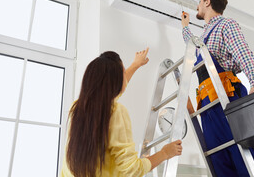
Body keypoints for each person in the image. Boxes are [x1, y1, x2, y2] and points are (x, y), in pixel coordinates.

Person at [181, 0, 254, 176]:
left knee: (241, 153)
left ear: (207, 2)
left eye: (199, 0)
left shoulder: (226, 25)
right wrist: (185, 27)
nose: (197, 4)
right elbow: (193, 46)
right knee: (218, 158)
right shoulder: (204, 37)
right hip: (207, 102)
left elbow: (243, 52)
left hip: (226, 97)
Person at [61, 49, 182, 177]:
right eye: (123, 72)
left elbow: (110, 94)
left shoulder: (77, 108)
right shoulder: (116, 112)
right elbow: (131, 170)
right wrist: (165, 153)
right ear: (116, 81)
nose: (125, 74)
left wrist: (135, 65)